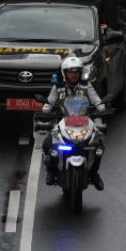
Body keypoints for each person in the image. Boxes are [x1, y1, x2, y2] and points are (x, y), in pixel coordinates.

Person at [41, 55, 107, 189]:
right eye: (71, 72)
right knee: (48, 145)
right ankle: (52, 172)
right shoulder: (58, 88)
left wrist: (102, 108)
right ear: (65, 73)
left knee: (99, 146)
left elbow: (96, 100)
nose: (74, 75)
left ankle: (94, 173)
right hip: (63, 123)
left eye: (76, 72)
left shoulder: (86, 86)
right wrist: (46, 109)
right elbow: (49, 103)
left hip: (85, 123)